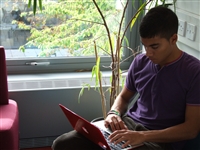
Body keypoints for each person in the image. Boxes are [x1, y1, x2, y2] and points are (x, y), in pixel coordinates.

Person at [52, 6, 200, 150]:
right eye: (145, 46)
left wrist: (142, 136)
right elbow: (123, 97)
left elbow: (191, 130)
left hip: (158, 140)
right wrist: (114, 113)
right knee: (63, 143)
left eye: (154, 47)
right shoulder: (140, 62)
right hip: (128, 125)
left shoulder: (194, 72)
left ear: (173, 39)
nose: (148, 53)